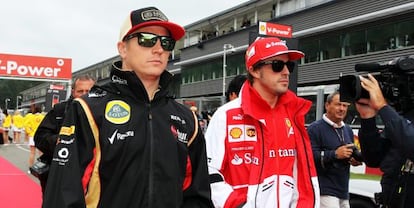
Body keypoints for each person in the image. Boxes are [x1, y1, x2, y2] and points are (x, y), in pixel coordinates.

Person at [42, 7, 213, 208]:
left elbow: (197, 196)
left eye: (166, 43)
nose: (158, 49)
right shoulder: (88, 109)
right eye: (147, 39)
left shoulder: (186, 119)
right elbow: (63, 195)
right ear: (123, 48)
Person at [205, 37, 320, 208]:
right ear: (254, 71)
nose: (286, 72)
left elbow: (300, 176)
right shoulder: (226, 115)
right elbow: (209, 172)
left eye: (289, 66)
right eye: (277, 65)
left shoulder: (293, 115)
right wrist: (238, 205)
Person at [355, 74, 414, 208]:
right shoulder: (403, 118)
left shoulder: (397, 122)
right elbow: (373, 158)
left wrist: (382, 107)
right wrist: (367, 118)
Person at [34, 74, 95, 194]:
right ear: (73, 92)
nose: (84, 94)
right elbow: (40, 136)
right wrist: (58, 141)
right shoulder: (59, 110)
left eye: (88, 91)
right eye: (80, 91)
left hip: (92, 176)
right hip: (60, 172)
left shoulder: (104, 111)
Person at [307, 91, 362, 208]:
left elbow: (347, 153)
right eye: (338, 104)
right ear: (327, 105)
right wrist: (335, 154)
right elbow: (309, 157)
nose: (342, 109)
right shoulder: (314, 129)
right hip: (324, 189)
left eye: (345, 105)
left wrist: (353, 160)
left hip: (343, 189)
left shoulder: (347, 129)